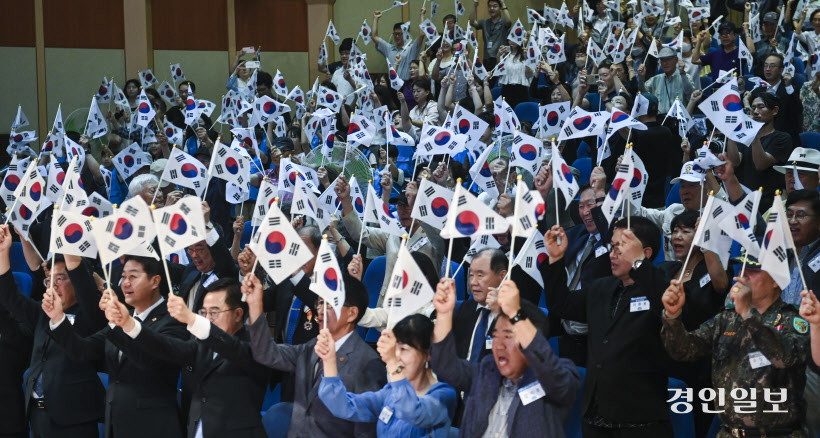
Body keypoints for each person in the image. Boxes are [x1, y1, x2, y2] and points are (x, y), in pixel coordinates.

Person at [541, 217, 676, 436]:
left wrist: (639, 265)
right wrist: (556, 259)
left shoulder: (661, 288)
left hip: (641, 420)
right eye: (612, 246)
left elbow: (671, 307)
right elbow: (561, 305)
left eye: (621, 247)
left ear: (646, 253)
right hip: (596, 415)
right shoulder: (601, 286)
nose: (613, 254)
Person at [661, 252, 811, 438]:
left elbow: (784, 358)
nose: (741, 276)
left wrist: (748, 315)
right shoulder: (726, 318)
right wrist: (673, 317)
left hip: (778, 434)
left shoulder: (793, 321)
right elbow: (682, 351)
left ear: (775, 280)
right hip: (729, 432)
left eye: (752, 272)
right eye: (741, 269)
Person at [43, 256, 189, 438]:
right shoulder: (121, 320)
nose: (126, 283)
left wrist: (123, 323)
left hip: (155, 426)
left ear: (155, 281)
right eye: (123, 277)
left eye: (133, 277)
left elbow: (147, 360)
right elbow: (82, 351)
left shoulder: (173, 321)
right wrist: (57, 318)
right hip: (117, 424)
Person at [106, 278, 270, 438]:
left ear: (238, 314)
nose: (207, 318)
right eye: (203, 312)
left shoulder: (254, 347)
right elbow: (165, 346)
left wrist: (192, 318)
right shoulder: (201, 345)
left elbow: (230, 347)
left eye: (213, 312)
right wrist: (127, 323)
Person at [430, 277, 581, 437]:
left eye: (508, 336)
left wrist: (516, 314)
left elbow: (557, 381)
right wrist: (444, 314)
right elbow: (445, 366)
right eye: (495, 335)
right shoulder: (488, 370)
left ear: (531, 338)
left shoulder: (558, 376)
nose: (499, 345)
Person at [244, 270, 386, 438]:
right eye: (319, 302)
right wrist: (255, 307)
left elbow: (366, 431)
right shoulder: (312, 347)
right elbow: (266, 353)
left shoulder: (369, 362)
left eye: (329, 304)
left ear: (352, 313)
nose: (320, 310)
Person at [0, 227, 106, 438]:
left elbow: (86, 290)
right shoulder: (43, 312)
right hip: (38, 415)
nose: (52, 286)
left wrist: (72, 257)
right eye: (49, 281)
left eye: (61, 279)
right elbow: (10, 296)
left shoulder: (91, 314)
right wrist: (3, 253)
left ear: (76, 281)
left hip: (75, 418)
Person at [316, 314, 457, 437]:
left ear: (427, 354)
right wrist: (329, 361)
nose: (397, 356)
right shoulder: (390, 392)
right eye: (394, 349)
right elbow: (344, 406)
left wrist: (392, 363)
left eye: (404, 349)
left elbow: (413, 411)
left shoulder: (444, 395)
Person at [558, 182, 613, 366]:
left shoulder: (613, 239)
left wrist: (602, 197)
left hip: (595, 331)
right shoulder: (576, 234)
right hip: (565, 327)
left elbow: (609, 237)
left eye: (590, 204)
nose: (585, 211)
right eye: (581, 206)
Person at [725, 90, 793, 211]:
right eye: (753, 108)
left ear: (775, 111)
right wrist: (731, 134)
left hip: (767, 201)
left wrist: (753, 131)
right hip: (742, 199)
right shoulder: (744, 136)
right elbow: (734, 162)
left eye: (761, 107)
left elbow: (761, 164)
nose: (755, 112)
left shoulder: (782, 138)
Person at [757, 53, 803, 146]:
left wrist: (788, 86)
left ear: (781, 70)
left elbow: (797, 111)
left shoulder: (790, 89)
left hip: (784, 139)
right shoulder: (758, 90)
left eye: (772, 66)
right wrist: (741, 90)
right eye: (766, 65)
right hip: (762, 139)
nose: (768, 69)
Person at [371, 8, 425, 82]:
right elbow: (374, 36)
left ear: (405, 34)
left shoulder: (411, 49)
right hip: (392, 84)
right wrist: (375, 18)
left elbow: (421, 35)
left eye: (400, 34)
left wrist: (422, 15)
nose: (397, 36)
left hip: (406, 84)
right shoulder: (389, 49)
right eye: (395, 34)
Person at [638, 47, 696, 114]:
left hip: (679, 119)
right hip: (659, 120)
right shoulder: (655, 79)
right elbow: (642, 96)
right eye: (662, 60)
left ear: (676, 60)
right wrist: (641, 78)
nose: (665, 63)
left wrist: (682, 73)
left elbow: (690, 96)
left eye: (668, 59)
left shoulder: (685, 77)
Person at [469, 0, 512, 73]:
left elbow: (508, 22)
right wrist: (475, 7)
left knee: (500, 82)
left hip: (501, 57)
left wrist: (503, 4)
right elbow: (472, 22)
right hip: (487, 59)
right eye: (490, 6)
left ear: (500, 8)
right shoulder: (484, 22)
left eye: (495, 6)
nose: (491, 8)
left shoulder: (503, 22)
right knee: (488, 82)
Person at [793, 8, 820, 77]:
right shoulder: (809, 35)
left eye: (819, 20)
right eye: (814, 19)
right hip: (811, 68)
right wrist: (802, 18)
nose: (817, 22)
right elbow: (796, 35)